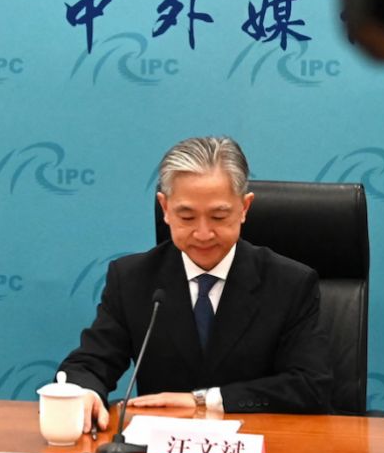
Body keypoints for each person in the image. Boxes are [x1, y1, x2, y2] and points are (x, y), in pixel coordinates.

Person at [60, 136, 334, 429]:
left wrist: (206, 401)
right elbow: (89, 365)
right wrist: (83, 392)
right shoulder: (133, 279)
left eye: (218, 216)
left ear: (244, 207)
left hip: (262, 450)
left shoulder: (289, 283)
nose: (203, 233)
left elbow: (310, 386)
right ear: (165, 208)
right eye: (187, 216)